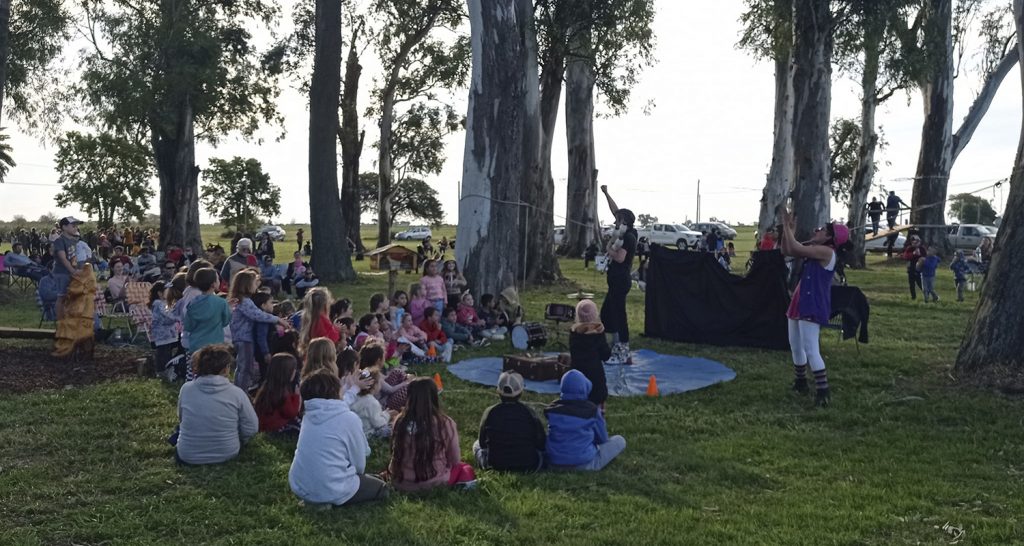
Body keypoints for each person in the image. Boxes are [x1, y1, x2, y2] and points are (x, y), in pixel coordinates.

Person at [779, 210, 851, 407]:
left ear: (829, 237)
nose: (815, 230)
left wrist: (787, 227)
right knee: (795, 345)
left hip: (812, 303)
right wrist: (788, 230)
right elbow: (787, 250)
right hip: (800, 300)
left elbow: (794, 248)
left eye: (821, 229)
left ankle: (823, 391)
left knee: (811, 348)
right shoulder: (818, 248)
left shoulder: (826, 252)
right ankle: (801, 382)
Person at [288, 370, 389, 507]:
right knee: (381, 488)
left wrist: (354, 388)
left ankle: (315, 499)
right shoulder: (349, 418)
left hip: (300, 485)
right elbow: (359, 464)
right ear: (336, 392)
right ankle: (325, 500)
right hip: (331, 487)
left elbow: (341, 404)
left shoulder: (309, 415)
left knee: (369, 479)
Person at [174, 345, 259, 465]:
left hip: (187, 454)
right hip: (227, 452)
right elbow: (252, 427)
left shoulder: (186, 389)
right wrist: (239, 438)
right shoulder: (236, 393)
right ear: (225, 369)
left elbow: (181, 418)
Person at [387, 377, 476, 491]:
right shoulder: (444, 423)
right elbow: (455, 459)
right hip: (432, 481)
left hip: (399, 481)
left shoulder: (399, 420)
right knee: (465, 468)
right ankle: (462, 486)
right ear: (434, 397)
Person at [544, 370, 626, 471]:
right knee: (620, 440)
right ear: (585, 387)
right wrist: (601, 417)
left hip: (554, 463)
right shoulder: (592, 411)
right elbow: (603, 439)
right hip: (584, 464)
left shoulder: (552, 410)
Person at [229, 269, 290, 392]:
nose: (256, 285)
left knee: (244, 367)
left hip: (243, 338)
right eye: (254, 283)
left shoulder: (243, 300)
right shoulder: (244, 301)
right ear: (246, 284)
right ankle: (241, 392)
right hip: (244, 338)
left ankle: (239, 389)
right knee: (245, 368)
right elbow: (258, 315)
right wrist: (277, 320)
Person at [474, 371, 546, 472]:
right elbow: (541, 442)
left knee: (476, 445)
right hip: (530, 465)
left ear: (498, 391)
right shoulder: (529, 412)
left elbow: (482, 442)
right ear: (521, 391)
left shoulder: (490, 412)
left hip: (495, 465)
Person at [599, 185, 638, 365]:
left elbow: (621, 258)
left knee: (619, 315)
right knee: (607, 314)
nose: (615, 222)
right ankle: (613, 347)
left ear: (624, 222)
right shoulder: (624, 233)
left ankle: (623, 352)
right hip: (615, 281)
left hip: (621, 281)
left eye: (618, 220)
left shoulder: (629, 237)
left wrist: (608, 247)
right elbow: (615, 210)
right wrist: (606, 193)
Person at [183, 268, 233, 365]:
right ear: (213, 284)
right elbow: (226, 321)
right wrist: (228, 309)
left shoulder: (192, 303)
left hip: (196, 345)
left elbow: (188, 326)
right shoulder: (221, 303)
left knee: (198, 371)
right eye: (218, 279)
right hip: (215, 345)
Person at [569, 299, 611, 407]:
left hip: (577, 373)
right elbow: (605, 355)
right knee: (597, 398)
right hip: (595, 375)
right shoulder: (598, 335)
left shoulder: (574, 334)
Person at [254, 353, 302, 434]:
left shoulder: (266, 388)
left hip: (264, 426)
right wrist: (297, 397)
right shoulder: (282, 393)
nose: (295, 372)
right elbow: (292, 413)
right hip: (276, 428)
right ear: (287, 372)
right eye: (293, 369)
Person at [51, 217, 86, 319]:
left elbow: (76, 257)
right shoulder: (59, 241)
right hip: (62, 272)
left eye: (76, 226)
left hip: (73, 271)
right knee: (61, 297)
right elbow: (63, 258)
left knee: (73, 297)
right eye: (73, 226)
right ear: (64, 227)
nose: (76, 228)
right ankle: (61, 322)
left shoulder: (74, 241)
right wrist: (73, 271)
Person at [350, 368, 396, 439]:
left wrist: (384, 413)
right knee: (391, 428)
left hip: (355, 433)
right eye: (380, 383)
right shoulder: (371, 402)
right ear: (374, 385)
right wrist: (388, 415)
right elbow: (378, 423)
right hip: (367, 434)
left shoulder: (355, 396)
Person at [150, 281, 181, 377]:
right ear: (160, 293)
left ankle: (164, 369)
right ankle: (161, 370)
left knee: (166, 351)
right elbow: (168, 315)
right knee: (163, 352)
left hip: (166, 333)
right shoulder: (159, 304)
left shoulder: (163, 303)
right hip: (162, 333)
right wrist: (178, 317)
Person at [298, 287, 340, 351]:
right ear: (325, 304)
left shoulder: (309, 318)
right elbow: (329, 339)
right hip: (322, 354)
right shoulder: (321, 320)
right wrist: (337, 330)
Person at [902, 234, 927, 300]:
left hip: (919, 268)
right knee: (911, 283)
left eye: (917, 242)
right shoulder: (910, 248)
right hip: (911, 268)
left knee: (920, 282)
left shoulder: (922, 248)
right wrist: (913, 254)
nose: (915, 243)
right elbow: (905, 256)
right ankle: (913, 296)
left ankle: (926, 294)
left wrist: (920, 256)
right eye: (913, 242)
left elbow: (925, 257)